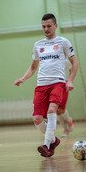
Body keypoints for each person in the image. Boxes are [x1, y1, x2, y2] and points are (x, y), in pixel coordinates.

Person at [14, 13, 78, 158]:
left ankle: (46, 145)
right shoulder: (38, 45)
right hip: (41, 85)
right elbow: (33, 67)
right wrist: (23, 78)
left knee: (52, 110)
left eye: (49, 26)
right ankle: (53, 140)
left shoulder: (63, 42)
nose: (46, 29)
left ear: (55, 26)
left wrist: (70, 80)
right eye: (44, 26)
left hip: (58, 83)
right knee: (37, 119)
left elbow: (75, 63)